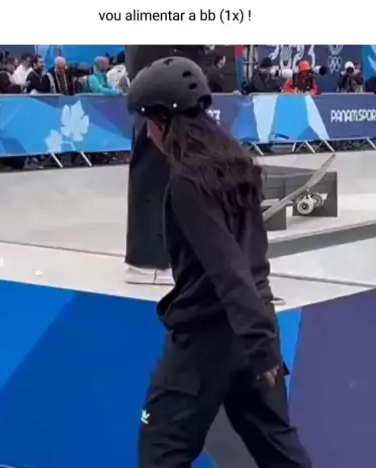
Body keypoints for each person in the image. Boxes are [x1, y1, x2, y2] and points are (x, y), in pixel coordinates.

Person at [127, 57, 312, 468]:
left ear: (165, 121)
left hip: (209, 337)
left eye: (148, 123)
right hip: (258, 323)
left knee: (160, 449)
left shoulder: (187, 182)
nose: (147, 134)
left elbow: (228, 267)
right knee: (278, 447)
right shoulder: (235, 164)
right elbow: (249, 260)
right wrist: (262, 344)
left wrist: (259, 344)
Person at [125, 45, 207, 285]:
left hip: (173, 76)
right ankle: (150, 260)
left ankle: (167, 255)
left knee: (173, 170)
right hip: (163, 78)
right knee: (155, 170)